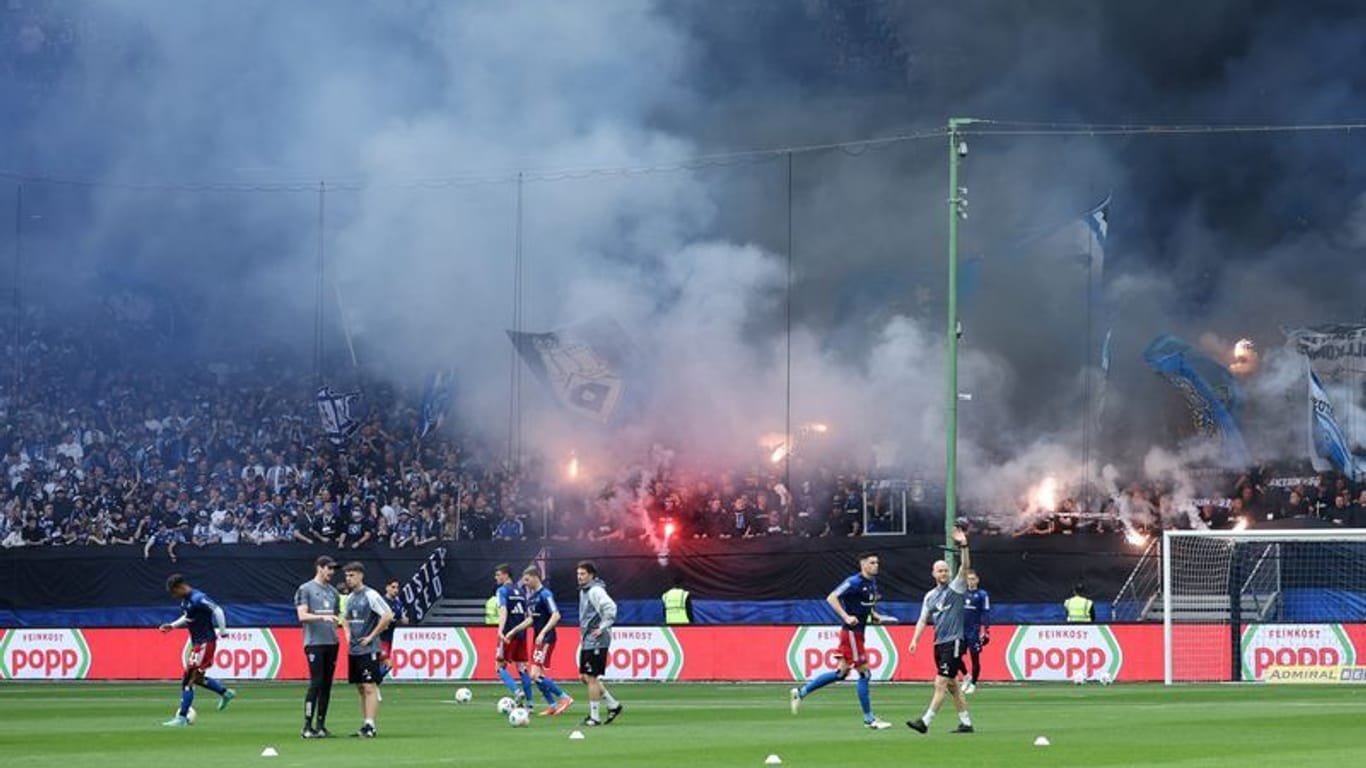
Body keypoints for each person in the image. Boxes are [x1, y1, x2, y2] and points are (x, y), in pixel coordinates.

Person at [789, 551, 895, 729]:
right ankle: (869, 719)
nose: (876, 565)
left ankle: (801, 692)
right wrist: (846, 616)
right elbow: (832, 597)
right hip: (852, 633)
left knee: (841, 673)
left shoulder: (872, 583)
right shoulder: (853, 582)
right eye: (872, 562)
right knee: (864, 673)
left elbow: (866, 605)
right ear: (862, 564)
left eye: (877, 562)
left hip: (858, 633)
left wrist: (876, 616)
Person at [906, 526, 974, 734]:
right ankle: (966, 723)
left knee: (940, 683)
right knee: (953, 685)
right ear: (934, 573)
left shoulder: (956, 588)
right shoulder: (930, 596)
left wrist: (964, 545)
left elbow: (965, 566)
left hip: (954, 642)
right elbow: (923, 619)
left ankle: (925, 722)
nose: (944, 573)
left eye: (946, 570)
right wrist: (915, 640)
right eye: (940, 570)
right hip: (939, 643)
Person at [158, 574, 236, 726]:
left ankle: (181, 717)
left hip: (205, 643)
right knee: (197, 678)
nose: (174, 596)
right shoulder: (186, 601)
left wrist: (223, 630)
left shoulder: (198, 598)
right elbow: (188, 617)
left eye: (174, 592)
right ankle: (225, 693)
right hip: (198, 644)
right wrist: (172, 626)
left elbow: (217, 610)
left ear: (180, 587)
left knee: (188, 679)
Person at [506, 566, 574, 716]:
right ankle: (552, 705)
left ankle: (565, 698)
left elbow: (556, 615)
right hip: (538, 638)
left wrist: (543, 633)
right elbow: (531, 619)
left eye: (527, 580)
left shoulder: (545, 594)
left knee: (535, 674)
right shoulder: (532, 598)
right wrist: (514, 630)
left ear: (536, 577)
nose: (525, 583)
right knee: (536, 675)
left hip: (546, 638)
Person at [340, 562, 393, 738]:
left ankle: (371, 725)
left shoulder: (370, 595)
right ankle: (365, 723)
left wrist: (371, 636)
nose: (348, 579)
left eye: (352, 575)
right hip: (354, 649)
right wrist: (347, 633)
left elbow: (387, 615)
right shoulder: (350, 598)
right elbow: (345, 618)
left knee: (369, 686)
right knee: (361, 688)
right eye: (346, 576)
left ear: (361, 575)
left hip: (368, 648)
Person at [295, 555, 341, 739]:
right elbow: (302, 616)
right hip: (314, 643)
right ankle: (307, 725)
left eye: (333, 569)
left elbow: (337, 615)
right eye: (329, 568)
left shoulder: (333, 592)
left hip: (332, 642)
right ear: (320, 568)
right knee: (316, 683)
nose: (331, 572)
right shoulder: (305, 589)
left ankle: (321, 725)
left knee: (327, 685)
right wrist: (322, 617)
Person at [577, 561, 623, 726]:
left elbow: (611, 608)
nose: (579, 577)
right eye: (578, 574)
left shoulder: (595, 590)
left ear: (591, 575)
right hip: (588, 638)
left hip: (596, 639)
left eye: (582, 574)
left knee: (591, 677)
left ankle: (594, 717)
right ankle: (613, 705)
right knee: (584, 677)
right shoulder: (585, 591)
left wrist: (603, 627)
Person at [494, 564, 535, 705]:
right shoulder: (522, 591)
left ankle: (517, 692)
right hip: (521, 633)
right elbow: (529, 615)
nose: (496, 577)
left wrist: (500, 629)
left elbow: (503, 609)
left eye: (498, 574)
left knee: (500, 666)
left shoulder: (502, 590)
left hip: (508, 634)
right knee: (522, 668)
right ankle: (529, 705)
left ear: (506, 575)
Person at [961, 569, 991, 694]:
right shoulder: (962, 594)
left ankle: (973, 683)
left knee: (975, 658)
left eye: (973, 579)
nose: (971, 581)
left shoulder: (982, 595)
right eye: (969, 579)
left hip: (974, 631)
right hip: (961, 631)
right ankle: (966, 675)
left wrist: (986, 630)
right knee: (955, 657)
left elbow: (986, 613)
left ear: (977, 580)